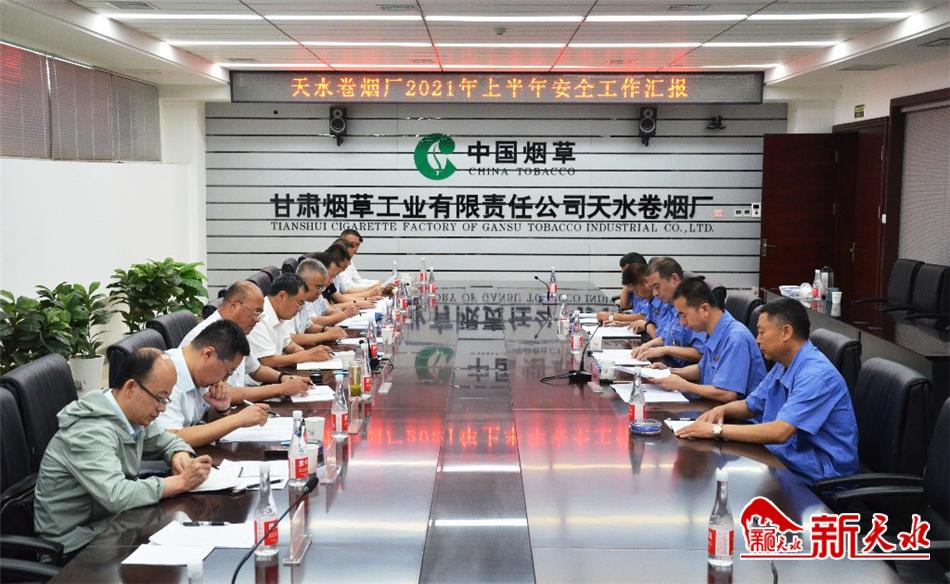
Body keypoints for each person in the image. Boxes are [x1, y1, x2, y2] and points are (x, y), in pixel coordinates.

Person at [34, 348, 212, 554]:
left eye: (166, 400)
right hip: (75, 546)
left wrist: (178, 454)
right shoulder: (90, 432)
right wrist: (181, 482)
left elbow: (166, 440)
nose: (162, 408)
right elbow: (117, 495)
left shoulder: (128, 415)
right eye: (159, 398)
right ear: (131, 387)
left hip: (113, 527)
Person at [677, 297, 860, 482]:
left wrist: (716, 430)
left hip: (820, 478)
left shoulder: (816, 375)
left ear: (786, 332)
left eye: (762, 332)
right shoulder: (784, 364)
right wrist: (721, 410)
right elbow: (750, 405)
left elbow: (779, 432)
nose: (757, 340)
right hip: (786, 460)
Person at [181, 280, 311, 400]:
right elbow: (217, 395)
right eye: (256, 312)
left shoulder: (237, 331)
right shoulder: (206, 336)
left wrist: (284, 378)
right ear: (234, 305)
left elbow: (256, 369)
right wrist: (279, 389)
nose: (257, 320)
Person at [156, 319, 271, 447]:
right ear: (208, 354)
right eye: (228, 372)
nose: (225, 380)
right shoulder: (165, 374)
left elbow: (203, 423)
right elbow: (170, 439)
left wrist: (221, 410)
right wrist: (237, 420)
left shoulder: (199, 372)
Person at [650, 277, 766, 403]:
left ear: (704, 309)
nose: (682, 323)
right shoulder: (713, 330)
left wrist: (684, 385)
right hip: (713, 405)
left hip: (734, 413)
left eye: (684, 315)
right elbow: (702, 369)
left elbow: (727, 394)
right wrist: (668, 371)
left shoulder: (735, 338)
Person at [246, 272, 333, 370]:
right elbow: (267, 361)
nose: (300, 309)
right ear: (282, 296)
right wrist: (307, 355)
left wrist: (301, 351)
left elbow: (288, 345)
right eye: (299, 303)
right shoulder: (260, 317)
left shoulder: (278, 313)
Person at [633, 257, 704, 366]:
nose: (655, 294)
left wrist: (666, 350)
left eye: (657, 287)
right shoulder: (671, 305)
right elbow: (666, 337)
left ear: (674, 279)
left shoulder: (695, 307)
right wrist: (647, 346)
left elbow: (701, 354)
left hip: (683, 371)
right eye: (652, 288)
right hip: (669, 366)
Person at [288, 258, 350, 347]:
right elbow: (290, 338)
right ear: (303, 283)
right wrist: (326, 335)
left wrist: (326, 330)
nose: (320, 292)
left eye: (322, 288)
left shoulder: (304, 301)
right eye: (318, 287)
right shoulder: (288, 300)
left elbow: (307, 326)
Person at [336, 228, 388, 294]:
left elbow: (357, 281)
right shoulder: (336, 259)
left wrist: (378, 283)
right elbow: (346, 290)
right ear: (341, 243)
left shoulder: (348, 258)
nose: (354, 248)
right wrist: (374, 288)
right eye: (351, 244)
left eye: (357, 245)